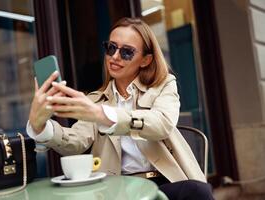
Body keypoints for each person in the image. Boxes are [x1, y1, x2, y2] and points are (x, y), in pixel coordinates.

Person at [27, 17, 214, 200]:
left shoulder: (163, 86)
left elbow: (161, 124)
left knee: (197, 191)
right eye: (111, 48)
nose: (115, 57)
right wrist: (40, 126)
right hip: (120, 190)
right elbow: (75, 142)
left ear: (145, 60)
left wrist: (104, 115)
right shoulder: (96, 101)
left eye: (127, 52)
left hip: (166, 183)